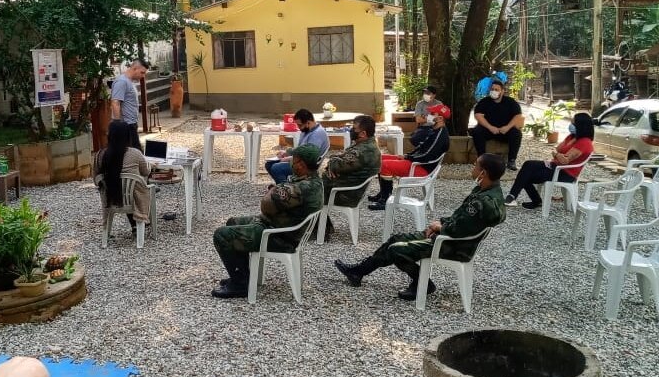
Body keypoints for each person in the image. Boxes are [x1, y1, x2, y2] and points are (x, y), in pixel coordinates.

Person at [335, 154, 507, 300]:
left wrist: (441, 228)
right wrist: (441, 224)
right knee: (396, 239)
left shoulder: (483, 201)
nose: (473, 168)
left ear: (483, 172)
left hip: (452, 246)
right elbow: (461, 219)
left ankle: (423, 284)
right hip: (448, 238)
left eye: (476, 165)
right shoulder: (485, 191)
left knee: (396, 250)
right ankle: (358, 272)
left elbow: (459, 230)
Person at [212, 144, 324, 299]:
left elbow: (266, 206)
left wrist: (273, 191)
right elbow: (277, 199)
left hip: (278, 236)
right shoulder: (312, 181)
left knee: (221, 235)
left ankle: (240, 286)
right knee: (232, 222)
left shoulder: (302, 188)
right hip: (279, 227)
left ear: (301, 164)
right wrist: (276, 191)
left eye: (294, 159)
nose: (290, 162)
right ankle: (243, 278)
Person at [504, 112, 595, 209]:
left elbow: (564, 160)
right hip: (555, 166)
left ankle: (527, 199)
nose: (570, 126)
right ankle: (514, 197)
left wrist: (556, 155)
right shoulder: (572, 137)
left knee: (526, 175)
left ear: (581, 126)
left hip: (565, 173)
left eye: (573, 124)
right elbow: (559, 148)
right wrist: (558, 154)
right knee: (528, 165)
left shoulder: (584, 142)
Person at [368, 104, 451, 210]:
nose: (427, 115)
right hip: (417, 163)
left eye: (431, 114)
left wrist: (409, 158)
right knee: (381, 158)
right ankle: (382, 193)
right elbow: (421, 148)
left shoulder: (440, 134)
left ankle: (385, 200)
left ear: (440, 118)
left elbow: (427, 155)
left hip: (421, 168)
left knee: (385, 165)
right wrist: (407, 156)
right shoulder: (434, 129)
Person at [93, 120, 152, 230]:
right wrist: (149, 165)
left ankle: (129, 225)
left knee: (124, 185)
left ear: (109, 135)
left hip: (111, 197)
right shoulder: (135, 153)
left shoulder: (100, 155)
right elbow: (146, 172)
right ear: (127, 136)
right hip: (133, 199)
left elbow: (96, 179)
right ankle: (141, 222)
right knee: (142, 186)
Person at [470, 77, 524, 170]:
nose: (494, 91)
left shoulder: (511, 102)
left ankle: (511, 160)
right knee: (477, 131)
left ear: (502, 91)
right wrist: (490, 127)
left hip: (505, 130)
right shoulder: (484, 102)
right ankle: (482, 159)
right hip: (489, 130)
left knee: (516, 133)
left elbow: (518, 116)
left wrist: (507, 127)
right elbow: (478, 115)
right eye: (492, 89)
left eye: (496, 89)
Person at [265, 108, 330, 184]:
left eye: (300, 125)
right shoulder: (306, 131)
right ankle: (286, 185)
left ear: (308, 122)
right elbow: (300, 150)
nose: (298, 127)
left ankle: (286, 191)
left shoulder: (317, 134)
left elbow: (309, 157)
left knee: (276, 168)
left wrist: (289, 158)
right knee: (269, 164)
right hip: (300, 160)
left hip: (307, 166)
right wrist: (286, 154)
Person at [110, 58, 148, 150]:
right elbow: (115, 103)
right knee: (134, 154)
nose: (143, 76)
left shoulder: (128, 81)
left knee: (134, 153)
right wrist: (118, 125)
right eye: (142, 73)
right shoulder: (122, 81)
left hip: (131, 124)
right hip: (126, 126)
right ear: (135, 68)